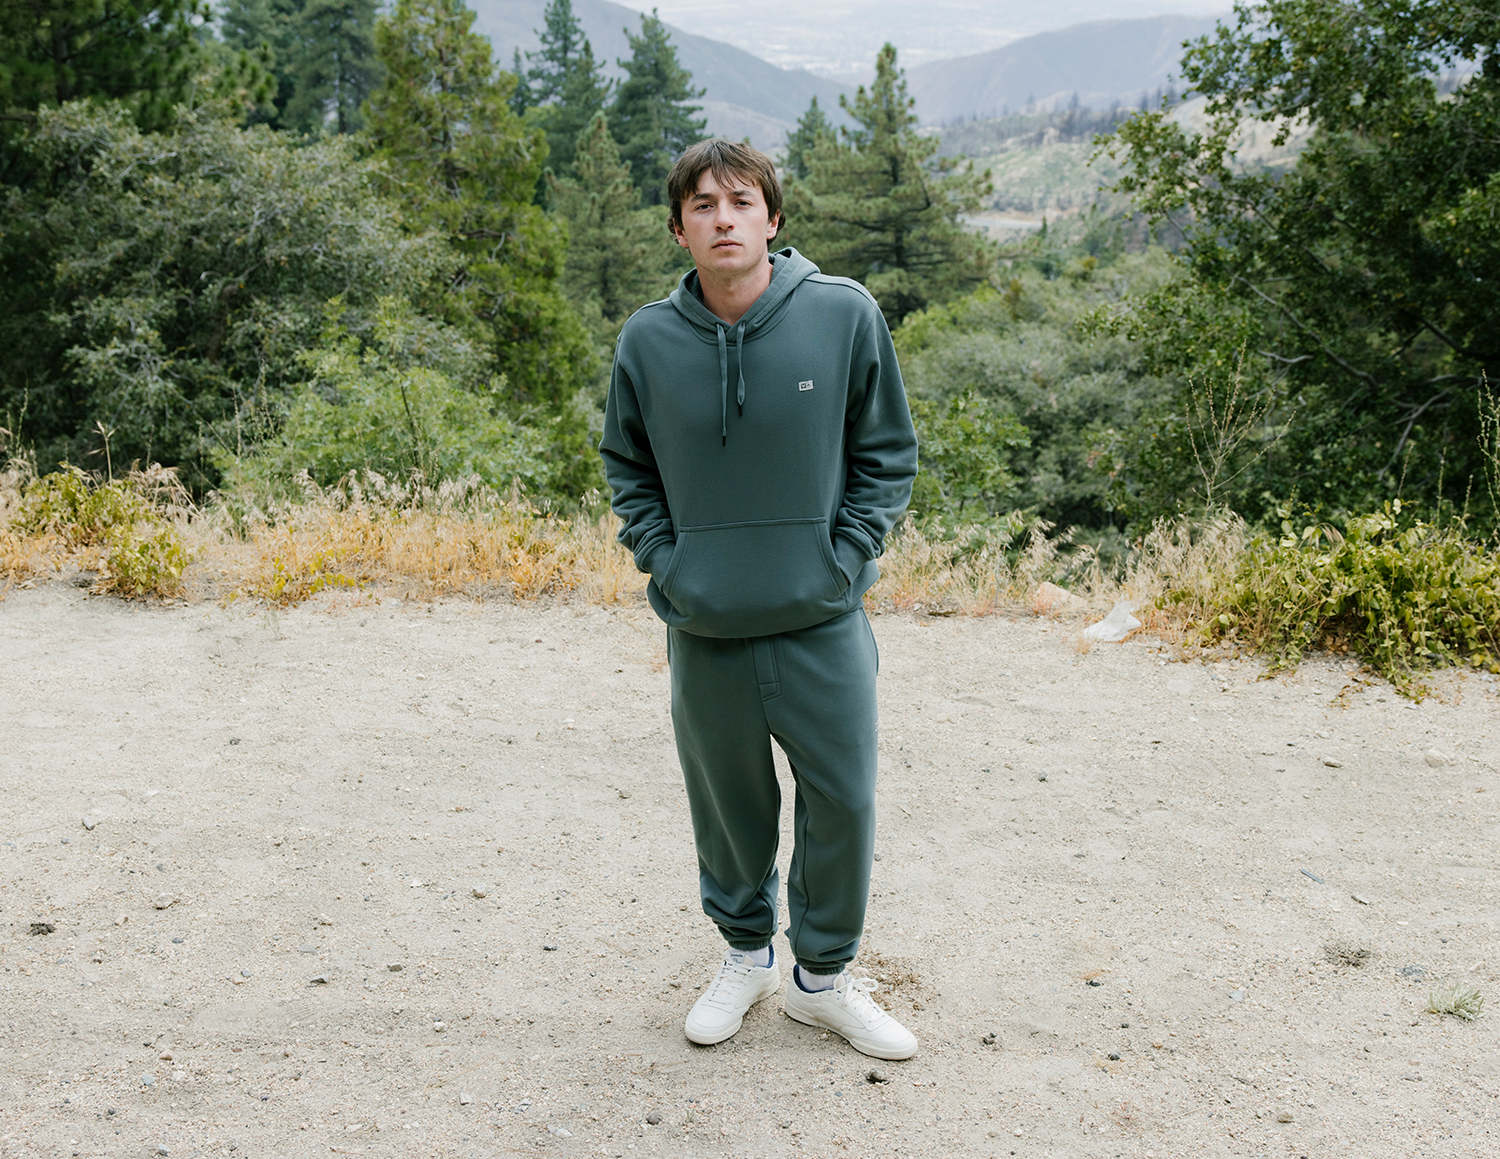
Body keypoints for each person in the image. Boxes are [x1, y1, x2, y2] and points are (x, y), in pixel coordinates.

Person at [599, 138, 920, 1060]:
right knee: (729, 807)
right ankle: (747, 956)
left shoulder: (843, 314)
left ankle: (822, 981)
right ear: (679, 229)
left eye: (741, 201)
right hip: (706, 625)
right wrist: (668, 564)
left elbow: (886, 452)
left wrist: (845, 557)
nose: (724, 218)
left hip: (822, 617)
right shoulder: (648, 341)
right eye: (702, 205)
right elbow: (628, 466)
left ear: (772, 219)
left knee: (843, 801)